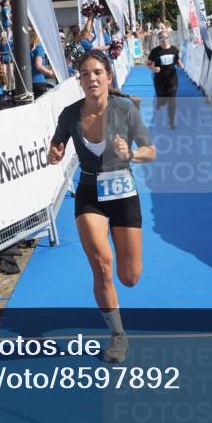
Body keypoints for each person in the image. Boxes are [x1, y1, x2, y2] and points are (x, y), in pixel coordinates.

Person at [47, 51, 156, 363]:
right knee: (101, 263)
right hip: (90, 192)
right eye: (85, 74)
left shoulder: (125, 108)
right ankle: (118, 335)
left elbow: (150, 151)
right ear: (79, 81)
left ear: (108, 76)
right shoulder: (70, 114)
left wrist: (132, 155)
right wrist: (53, 155)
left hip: (123, 192)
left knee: (129, 276)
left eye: (97, 72)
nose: (91, 78)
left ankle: (119, 299)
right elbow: (55, 148)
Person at [147, 30, 180, 129]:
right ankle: (160, 102)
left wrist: (180, 64)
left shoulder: (174, 49)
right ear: (159, 40)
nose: (164, 40)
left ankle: (171, 121)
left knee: (172, 101)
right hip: (160, 80)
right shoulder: (155, 51)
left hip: (172, 79)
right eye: (161, 38)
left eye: (166, 38)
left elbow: (177, 61)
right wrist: (153, 68)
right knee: (162, 100)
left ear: (169, 39)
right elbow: (148, 64)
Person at [30, 31, 56, 99]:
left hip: (28, 82)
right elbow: (38, 66)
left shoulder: (28, 48)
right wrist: (51, 74)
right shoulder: (39, 47)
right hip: (39, 82)